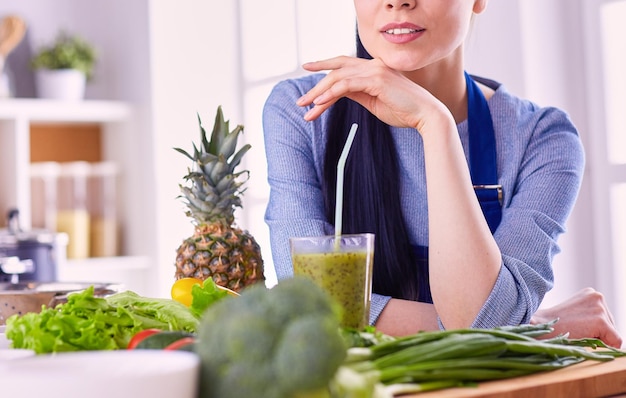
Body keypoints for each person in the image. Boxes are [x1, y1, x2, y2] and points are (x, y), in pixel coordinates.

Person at [262, 0, 622, 347]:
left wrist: (433, 124)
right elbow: (308, 306)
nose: (397, 1)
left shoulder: (542, 139)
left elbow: (487, 322)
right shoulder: (305, 112)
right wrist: (534, 326)